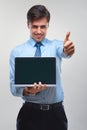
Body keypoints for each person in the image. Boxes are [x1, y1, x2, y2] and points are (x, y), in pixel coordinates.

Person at [10, 4, 75, 130]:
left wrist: (68, 50)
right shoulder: (17, 52)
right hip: (29, 113)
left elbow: (64, 52)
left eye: (43, 27)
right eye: (35, 26)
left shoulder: (56, 46)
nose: (39, 31)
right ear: (28, 25)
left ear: (48, 25)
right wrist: (28, 91)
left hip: (56, 114)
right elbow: (13, 87)